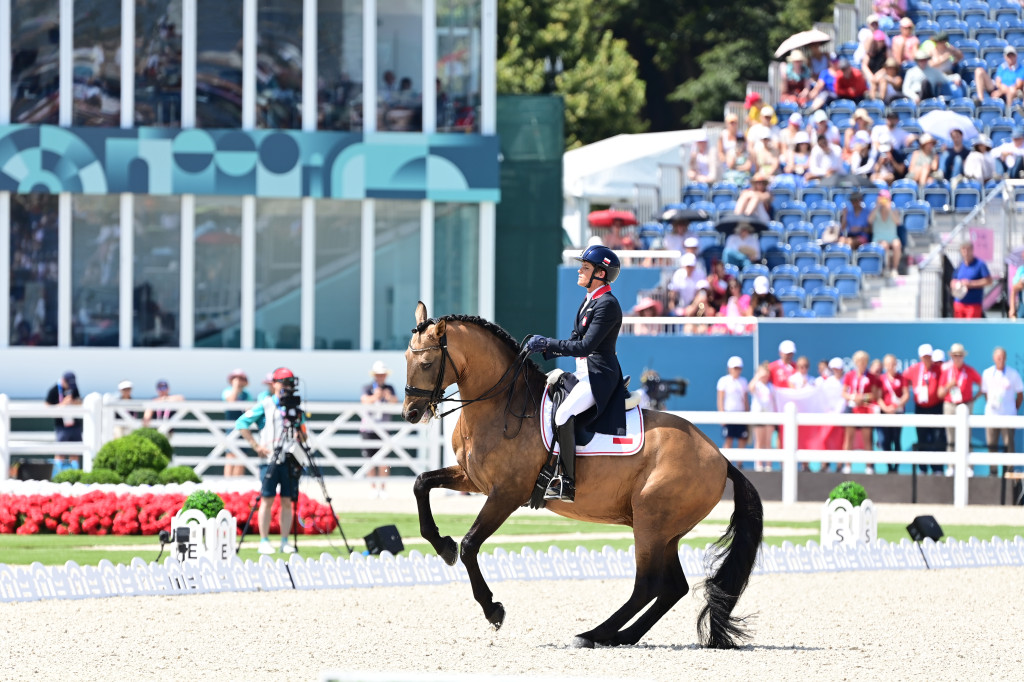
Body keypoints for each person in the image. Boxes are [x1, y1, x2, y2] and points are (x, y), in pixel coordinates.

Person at [526, 245, 627, 503]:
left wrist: (547, 344)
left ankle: (567, 483)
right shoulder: (588, 301)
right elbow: (574, 340)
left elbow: (585, 346)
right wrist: (546, 350)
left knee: (563, 414)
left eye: (585, 267)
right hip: (583, 371)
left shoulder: (607, 305)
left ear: (601, 273)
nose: (579, 271)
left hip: (599, 375)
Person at [235, 367, 306, 555]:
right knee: (266, 499)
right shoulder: (265, 404)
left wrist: (299, 427)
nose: (285, 386)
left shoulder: (295, 407)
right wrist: (256, 445)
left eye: (289, 383)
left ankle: (285, 540)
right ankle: (264, 540)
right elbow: (242, 423)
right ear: (274, 384)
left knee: (286, 501)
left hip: (290, 458)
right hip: (270, 458)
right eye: (282, 382)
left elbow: (304, 435)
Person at [981, 347, 1024, 475]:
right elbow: (985, 393)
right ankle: (993, 474)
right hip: (991, 415)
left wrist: (1013, 409)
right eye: (998, 357)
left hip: (1008, 416)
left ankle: (1008, 473)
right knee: (991, 445)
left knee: (1008, 445)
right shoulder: (987, 373)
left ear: (1006, 358)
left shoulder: (1013, 374)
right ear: (994, 358)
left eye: (1003, 357)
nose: (1000, 359)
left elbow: (1020, 394)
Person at [360, 360, 399, 498]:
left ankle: (382, 488)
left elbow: (396, 401)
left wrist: (388, 397)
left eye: (383, 374)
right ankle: (372, 488)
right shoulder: (367, 387)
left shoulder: (390, 388)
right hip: (369, 429)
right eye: (379, 374)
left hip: (384, 428)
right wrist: (375, 396)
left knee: (384, 460)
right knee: (369, 459)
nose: (381, 376)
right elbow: (364, 400)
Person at [938, 343, 982, 465]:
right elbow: (940, 394)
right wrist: (948, 386)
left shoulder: (969, 370)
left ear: (963, 356)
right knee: (951, 437)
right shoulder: (947, 372)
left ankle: (969, 467)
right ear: (951, 356)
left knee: (966, 437)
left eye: (960, 355)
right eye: (955, 355)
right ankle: (951, 466)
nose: (957, 358)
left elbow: (982, 385)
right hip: (950, 405)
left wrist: (973, 399)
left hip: (965, 404)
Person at [903, 343, 944, 473]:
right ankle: (923, 468)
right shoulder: (914, 369)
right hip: (920, 408)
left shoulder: (938, 369)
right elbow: (903, 378)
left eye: (929, 356)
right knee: (922, 437)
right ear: (920, 357)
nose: (927, 359)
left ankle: (937, 468)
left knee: (937, 438)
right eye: (924, 356)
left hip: (936, 407)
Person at [842, 350, 880, 474]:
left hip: (865, 410)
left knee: (867, 439)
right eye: (859, 361)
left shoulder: (871, 377)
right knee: (849, 438)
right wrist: (853, 397)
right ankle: (847, 465)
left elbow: (874, 395)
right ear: (855, 362)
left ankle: (869, 466)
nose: (861, 364)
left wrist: (863, 398)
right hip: (852, 409)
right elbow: (843, 393)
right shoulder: (849, 375)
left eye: (864, 362)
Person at [877, 353, 909, 472]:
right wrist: (886, 408)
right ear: (885, 365)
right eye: (888, 364)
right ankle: (889, 466)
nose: (891, 366)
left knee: (896, 439)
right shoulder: (881, 379)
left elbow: (906, 394)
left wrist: (896, 406)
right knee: (886, 440)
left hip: (898, 412)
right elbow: (878, 397)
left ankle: (896, 466)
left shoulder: (902, 378)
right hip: (885, 413)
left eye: (892, 363)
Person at [46, 372, 82, 475]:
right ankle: (56, 475)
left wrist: (74, 402)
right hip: (62, 426)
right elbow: (47, 406)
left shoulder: (74, 388)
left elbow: (80, 401)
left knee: (75, 452)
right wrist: (63, 404)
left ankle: (75, 474)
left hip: (75, 425)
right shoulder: (54, 390)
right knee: (60, 452)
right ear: (63, 380)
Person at [950, 240, 992, 318]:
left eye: (967, 250)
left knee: (971, 328)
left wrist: (971, 284)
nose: (965, 253)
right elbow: (953, 279)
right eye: (963, 250)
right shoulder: (960, 264)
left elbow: (988, 281)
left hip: (973, 304)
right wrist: (955, 284)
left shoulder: (980, 264)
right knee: (959, 328)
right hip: (959, 303)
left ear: (972, 250)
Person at [717, 356, 750, 453]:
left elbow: (745, 400)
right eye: (735, 368)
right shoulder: (723, 381)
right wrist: (722, 415)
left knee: (742, 438)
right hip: (728, 413)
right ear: (729, 368)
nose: (737, 370)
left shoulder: (743, 381)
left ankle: (740, 464)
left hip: (741, 413)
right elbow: (720, 399)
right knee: (729, 438)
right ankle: (728, 465)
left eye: (739, 368)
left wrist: (747, 413)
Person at [222, 369, 251, 477]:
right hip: (231, 427)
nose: (238, 381)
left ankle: (238, 483)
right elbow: (231, 401)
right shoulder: (227, 391)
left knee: (241, 456)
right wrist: (235, 387)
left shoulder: (247, 395)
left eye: (241, 379)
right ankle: (228, 481)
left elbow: (249, 411)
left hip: (243, 427)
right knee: (230, 455)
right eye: (236, 378)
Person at [748, 361, 775, 472]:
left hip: (769, 416)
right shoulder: (757, 385)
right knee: (759, 441)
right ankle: (759, 465)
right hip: (758, 416)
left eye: (766, 373)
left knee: (768, 441)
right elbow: (750, 387)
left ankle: (768, 465)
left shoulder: (771, 386)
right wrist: (758, 375)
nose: (765, 376)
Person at [869, 189, 901, 274]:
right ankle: (886, 268)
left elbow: (898, 222)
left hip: (891, 236)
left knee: (897, 244)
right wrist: (877, 207)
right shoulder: (875, 210)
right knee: (884, 245)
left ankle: (895, 268)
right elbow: (869, 220)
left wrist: (889, 209)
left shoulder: (894, 211)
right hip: (879, 237)